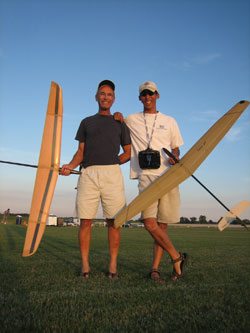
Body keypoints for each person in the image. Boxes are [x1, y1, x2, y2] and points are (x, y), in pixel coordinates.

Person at [115, 81, 188, 282]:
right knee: (149, 222)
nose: (147, 97)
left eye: (151, 94)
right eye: (144, 94)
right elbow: (119, 125)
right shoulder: (132, 119)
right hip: (146, 176)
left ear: (157, 95)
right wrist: (118, 117)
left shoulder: (170, 121)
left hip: (167, 176)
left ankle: (155, 270)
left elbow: (176, 147)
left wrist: (174, 156)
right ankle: (177, 257)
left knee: (161, 227)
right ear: (140, 98)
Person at [60, 80, 131, 279]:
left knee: (114, 222)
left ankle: (113, 266)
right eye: (102, 94)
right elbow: (80, 152)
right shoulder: (86, 122)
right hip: (88, 174)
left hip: (112, 174)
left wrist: (110, 162)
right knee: (85, 221)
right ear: (96, 97)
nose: (105, 97)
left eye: (109, 94)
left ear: (114, 99)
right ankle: (85, 266)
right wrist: (69, 167)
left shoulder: (120, 122)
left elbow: (128, 152)